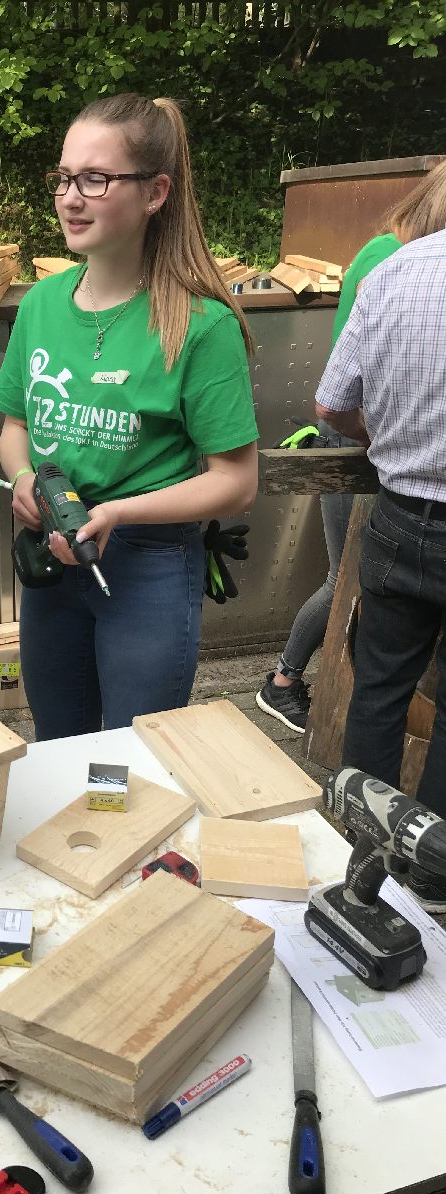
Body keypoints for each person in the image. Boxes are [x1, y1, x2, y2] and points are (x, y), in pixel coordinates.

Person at [0, 94, 258, 741]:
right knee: (60, 747)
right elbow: (15, 427)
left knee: (131, 757)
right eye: (63, 177)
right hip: (55, 554)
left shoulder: (201, 324)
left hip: (148, 565)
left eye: (94, 179)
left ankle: (124, 817)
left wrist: (117, 513)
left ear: (155, 192)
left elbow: (236, 481)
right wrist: (23, 478)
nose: (69, 198)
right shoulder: (41, 304)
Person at [256, 157, 446, 734]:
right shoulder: (389, 257)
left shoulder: (394, 256)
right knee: (345, 578)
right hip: (361, 433)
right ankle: (283, 680)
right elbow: (343, 393)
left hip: (380, 439)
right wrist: (380, 433)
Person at [315, 227, 446, 911]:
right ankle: (433, 886)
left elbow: (331, 405)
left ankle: (364, 866)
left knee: (379, 690)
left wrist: (388, 438)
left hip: (398, 516)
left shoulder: (397, 270)